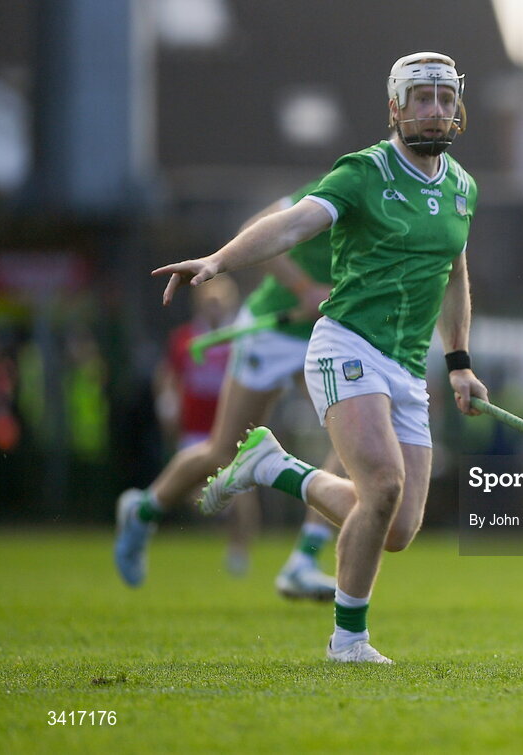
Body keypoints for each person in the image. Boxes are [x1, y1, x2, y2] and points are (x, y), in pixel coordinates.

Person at [149, 52, 487, 664]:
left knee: (401, 530)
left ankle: (272, 467)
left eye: (444, 97)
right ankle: (348, 643)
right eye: (422, 98)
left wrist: (458, 359)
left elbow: (455, 274)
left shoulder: (463, 187)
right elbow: (291, 223)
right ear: (396, 108)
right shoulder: (365, 171)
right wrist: (219, 262)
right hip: (348, 345)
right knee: (380, 485)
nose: (435, 109)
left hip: (409, 368)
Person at [114, 179, 343, 601]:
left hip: (325, 336)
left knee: (348, 443)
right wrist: (304, 289)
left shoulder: (398, 211)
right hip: (271, 332)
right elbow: (255, 226)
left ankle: (304, 560)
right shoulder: (343, 185)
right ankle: (143, 511)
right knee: (223, 452)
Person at [152, 274, 259, 575]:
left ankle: (239, 550)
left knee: (243, 490)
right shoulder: (185, 338)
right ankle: (214, 511)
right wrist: (167, 404)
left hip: (230, 426)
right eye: (209, 302)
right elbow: (168, 375)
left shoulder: (240, 338)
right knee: (193, 489)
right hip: (195, 429)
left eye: (220, 303)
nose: (215, 308)